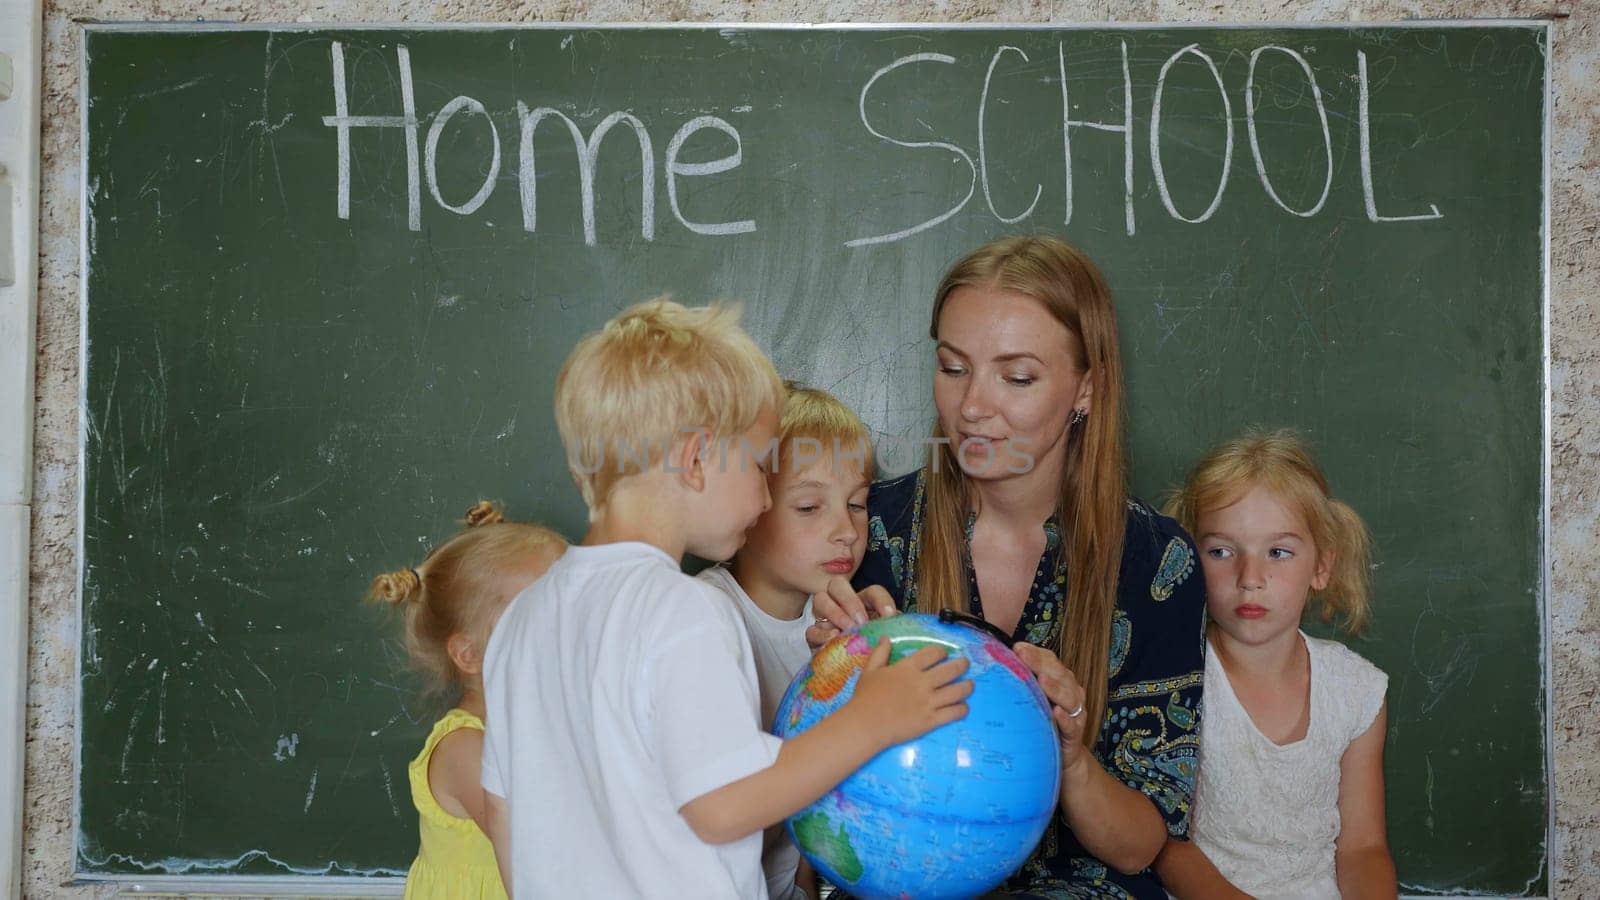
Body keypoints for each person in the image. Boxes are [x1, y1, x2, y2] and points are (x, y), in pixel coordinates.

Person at [479, 298, 973, 898]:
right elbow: (722, 806)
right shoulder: (685, 610)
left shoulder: (523, 616)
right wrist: (873, 719)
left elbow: (503, 810)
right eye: (760, 466)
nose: (765, 498)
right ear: (695, 460)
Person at [811, 235, 1208, 897]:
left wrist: (1073, 759)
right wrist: (829, 682)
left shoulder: (1156, 564)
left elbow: (1141, 848)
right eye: (953, 366)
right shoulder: (866, 531)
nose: (971, 406)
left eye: (1017, 377)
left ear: (1088, 387)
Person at [1155, 429, 1396, 899]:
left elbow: (1363, 848)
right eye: (1221, 551)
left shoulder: (1355, 690)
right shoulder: (1174, 678)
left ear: (1321, 567)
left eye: (1278, 552)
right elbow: (1165, 846)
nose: (1250, 578)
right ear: (1188, 558)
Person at [698, 382, 874, 900]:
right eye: (808, 507)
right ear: (747, 506)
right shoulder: (707, 615)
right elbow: (728, 821)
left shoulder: (824, 629)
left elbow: (805, 840)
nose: (845, 530)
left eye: (858, 504)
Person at [366, 501, 567, 900]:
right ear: (470, 654)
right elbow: (543, 844)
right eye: (537, 620)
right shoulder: (466, 747)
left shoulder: (539, 722)